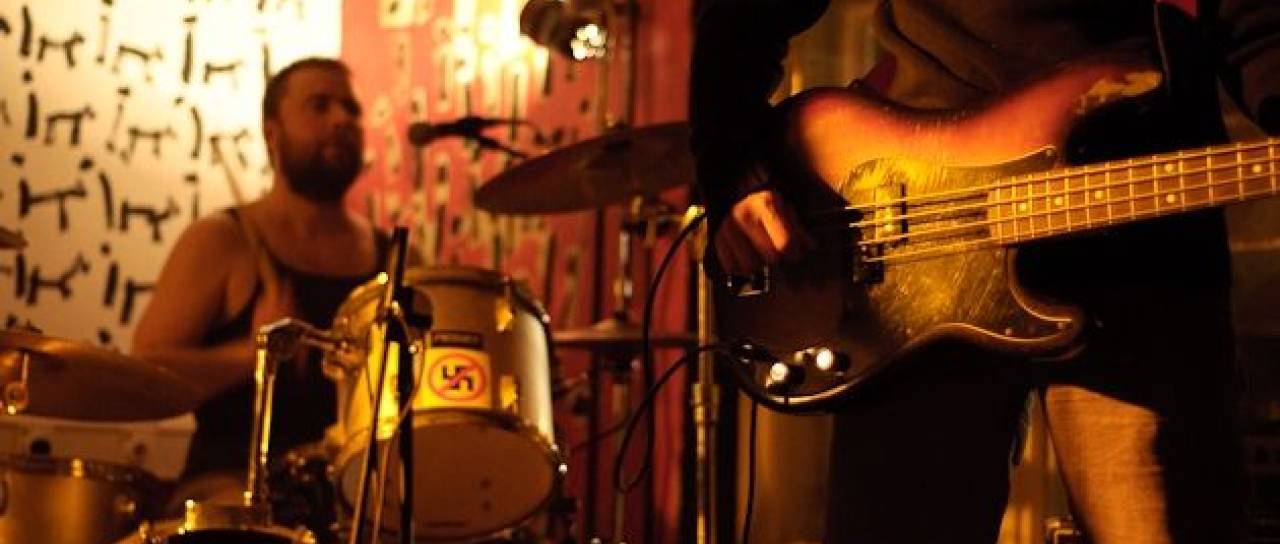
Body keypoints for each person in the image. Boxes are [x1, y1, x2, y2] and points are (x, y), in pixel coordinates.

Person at [691, 0, 1279, 542]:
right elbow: (742, 19)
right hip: (921, 237)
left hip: (1140, 238)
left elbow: (1257, 21)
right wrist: (733, 174)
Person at [132, 57, 391, 506]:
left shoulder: (394, 258)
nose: (341, 120)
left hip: (358, 500)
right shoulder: (222, 240)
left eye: (351, 108)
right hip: (231, 491)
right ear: (273, 133)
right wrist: (251, 353)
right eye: (320, 105)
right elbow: (145, 375)